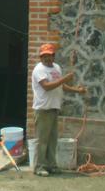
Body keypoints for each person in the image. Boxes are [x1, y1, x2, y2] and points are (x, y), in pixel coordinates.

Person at [31, 43, 86, 177]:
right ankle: (39, 167)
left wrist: (77, 91)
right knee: (42, 140)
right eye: (44, 56)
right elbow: (47, 86)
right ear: (40, 57)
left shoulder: (56, 68)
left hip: (54, 107)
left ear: (53, 56)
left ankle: (51, 165)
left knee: (53, 139)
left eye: (50, 55)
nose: (47, 58)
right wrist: (64, 79)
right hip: (43, 109)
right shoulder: (39, 70)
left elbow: (61, 86)